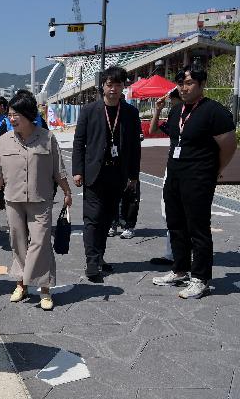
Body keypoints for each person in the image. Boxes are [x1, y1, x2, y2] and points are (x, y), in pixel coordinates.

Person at [151, 65, 237, 298]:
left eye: (189, 83)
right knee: (175, 224)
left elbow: (229, 145)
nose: (184, 87)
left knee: (198, 229)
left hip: (199, 178)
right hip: (175, 176)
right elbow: (164, 134)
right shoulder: (178, 111)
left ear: (201, 85)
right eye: (181, 83)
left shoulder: (214, 111)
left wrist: (215, 170)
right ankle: (180, 269)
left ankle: (200, 278)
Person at [0, 92, 73, 311]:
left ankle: (44, 289)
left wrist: (67, 191)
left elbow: (58, 170)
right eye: (10, 115)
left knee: (40, 243)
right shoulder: (3, 140)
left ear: (28, 115)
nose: (12, 118)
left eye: (16, 114)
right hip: (13, 200)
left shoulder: (47, 138)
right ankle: (21, 285)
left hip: (40, 198)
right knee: (18, 243)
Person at [72, 66, 142, 282]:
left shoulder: (130, 112)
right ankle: (92, 262)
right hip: (94, 173)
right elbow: (79, 143)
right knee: (92, 218)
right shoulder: (89, 110)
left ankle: (100, 256)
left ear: (123, 87)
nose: (113, 89)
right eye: (109, 84)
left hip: (118, 173)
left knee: (107, 218)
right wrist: (77, 170)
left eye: (118, 85)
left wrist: (133, 175)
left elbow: (135, 147)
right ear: (102, 86)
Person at [148, 88, 182, 265]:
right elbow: (153, 130)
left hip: (189, 168)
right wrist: (158, 110)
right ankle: (172, 253)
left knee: (181, 211)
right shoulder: (175, 114)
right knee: (168, 209)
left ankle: (181, 253)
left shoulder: (196, 114)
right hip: (173, 166)